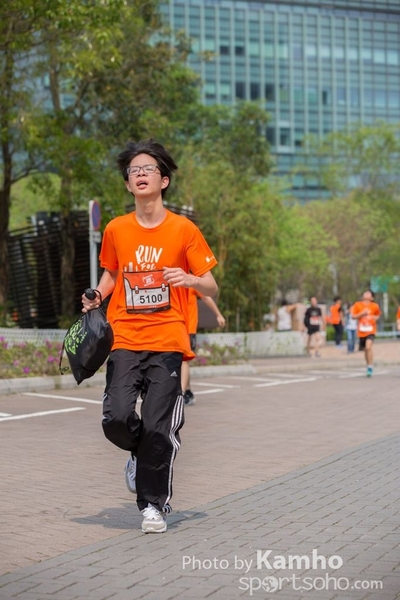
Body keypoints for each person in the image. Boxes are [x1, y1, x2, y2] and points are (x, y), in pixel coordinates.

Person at [81, 139, 218, 534]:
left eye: (148, 169)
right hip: (124, 337)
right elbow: (112, 273)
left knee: (159, 428)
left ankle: (153, 505)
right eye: (134, 171)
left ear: (164, 180)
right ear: (128, 184)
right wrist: (98, 294)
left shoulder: (184, 229)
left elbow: (210, 285)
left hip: (168, 341)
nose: (140, 174)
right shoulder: (116, 228)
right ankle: (138, 454)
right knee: (116, 418)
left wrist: (189, 278)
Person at [182, 288, 225, 406]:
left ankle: (181, 393)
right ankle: (187, 392)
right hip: (174, 328)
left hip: (188, 329)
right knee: (182, 361)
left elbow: (206, 297)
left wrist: (218, 315)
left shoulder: (190, 282)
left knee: (183, 360)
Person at [351, 290, 381, 377]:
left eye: (369, 293)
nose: (367, 294)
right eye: (365, 293)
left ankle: (370, 366)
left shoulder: (375, 306)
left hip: (371, 330)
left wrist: (374, 317)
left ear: (372, 298)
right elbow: (353, 316)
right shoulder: (358, 305)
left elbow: (378, 315)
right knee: (365, 349)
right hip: (362, 331)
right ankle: (368, 365)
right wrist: (362, 313)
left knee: (368, 346)